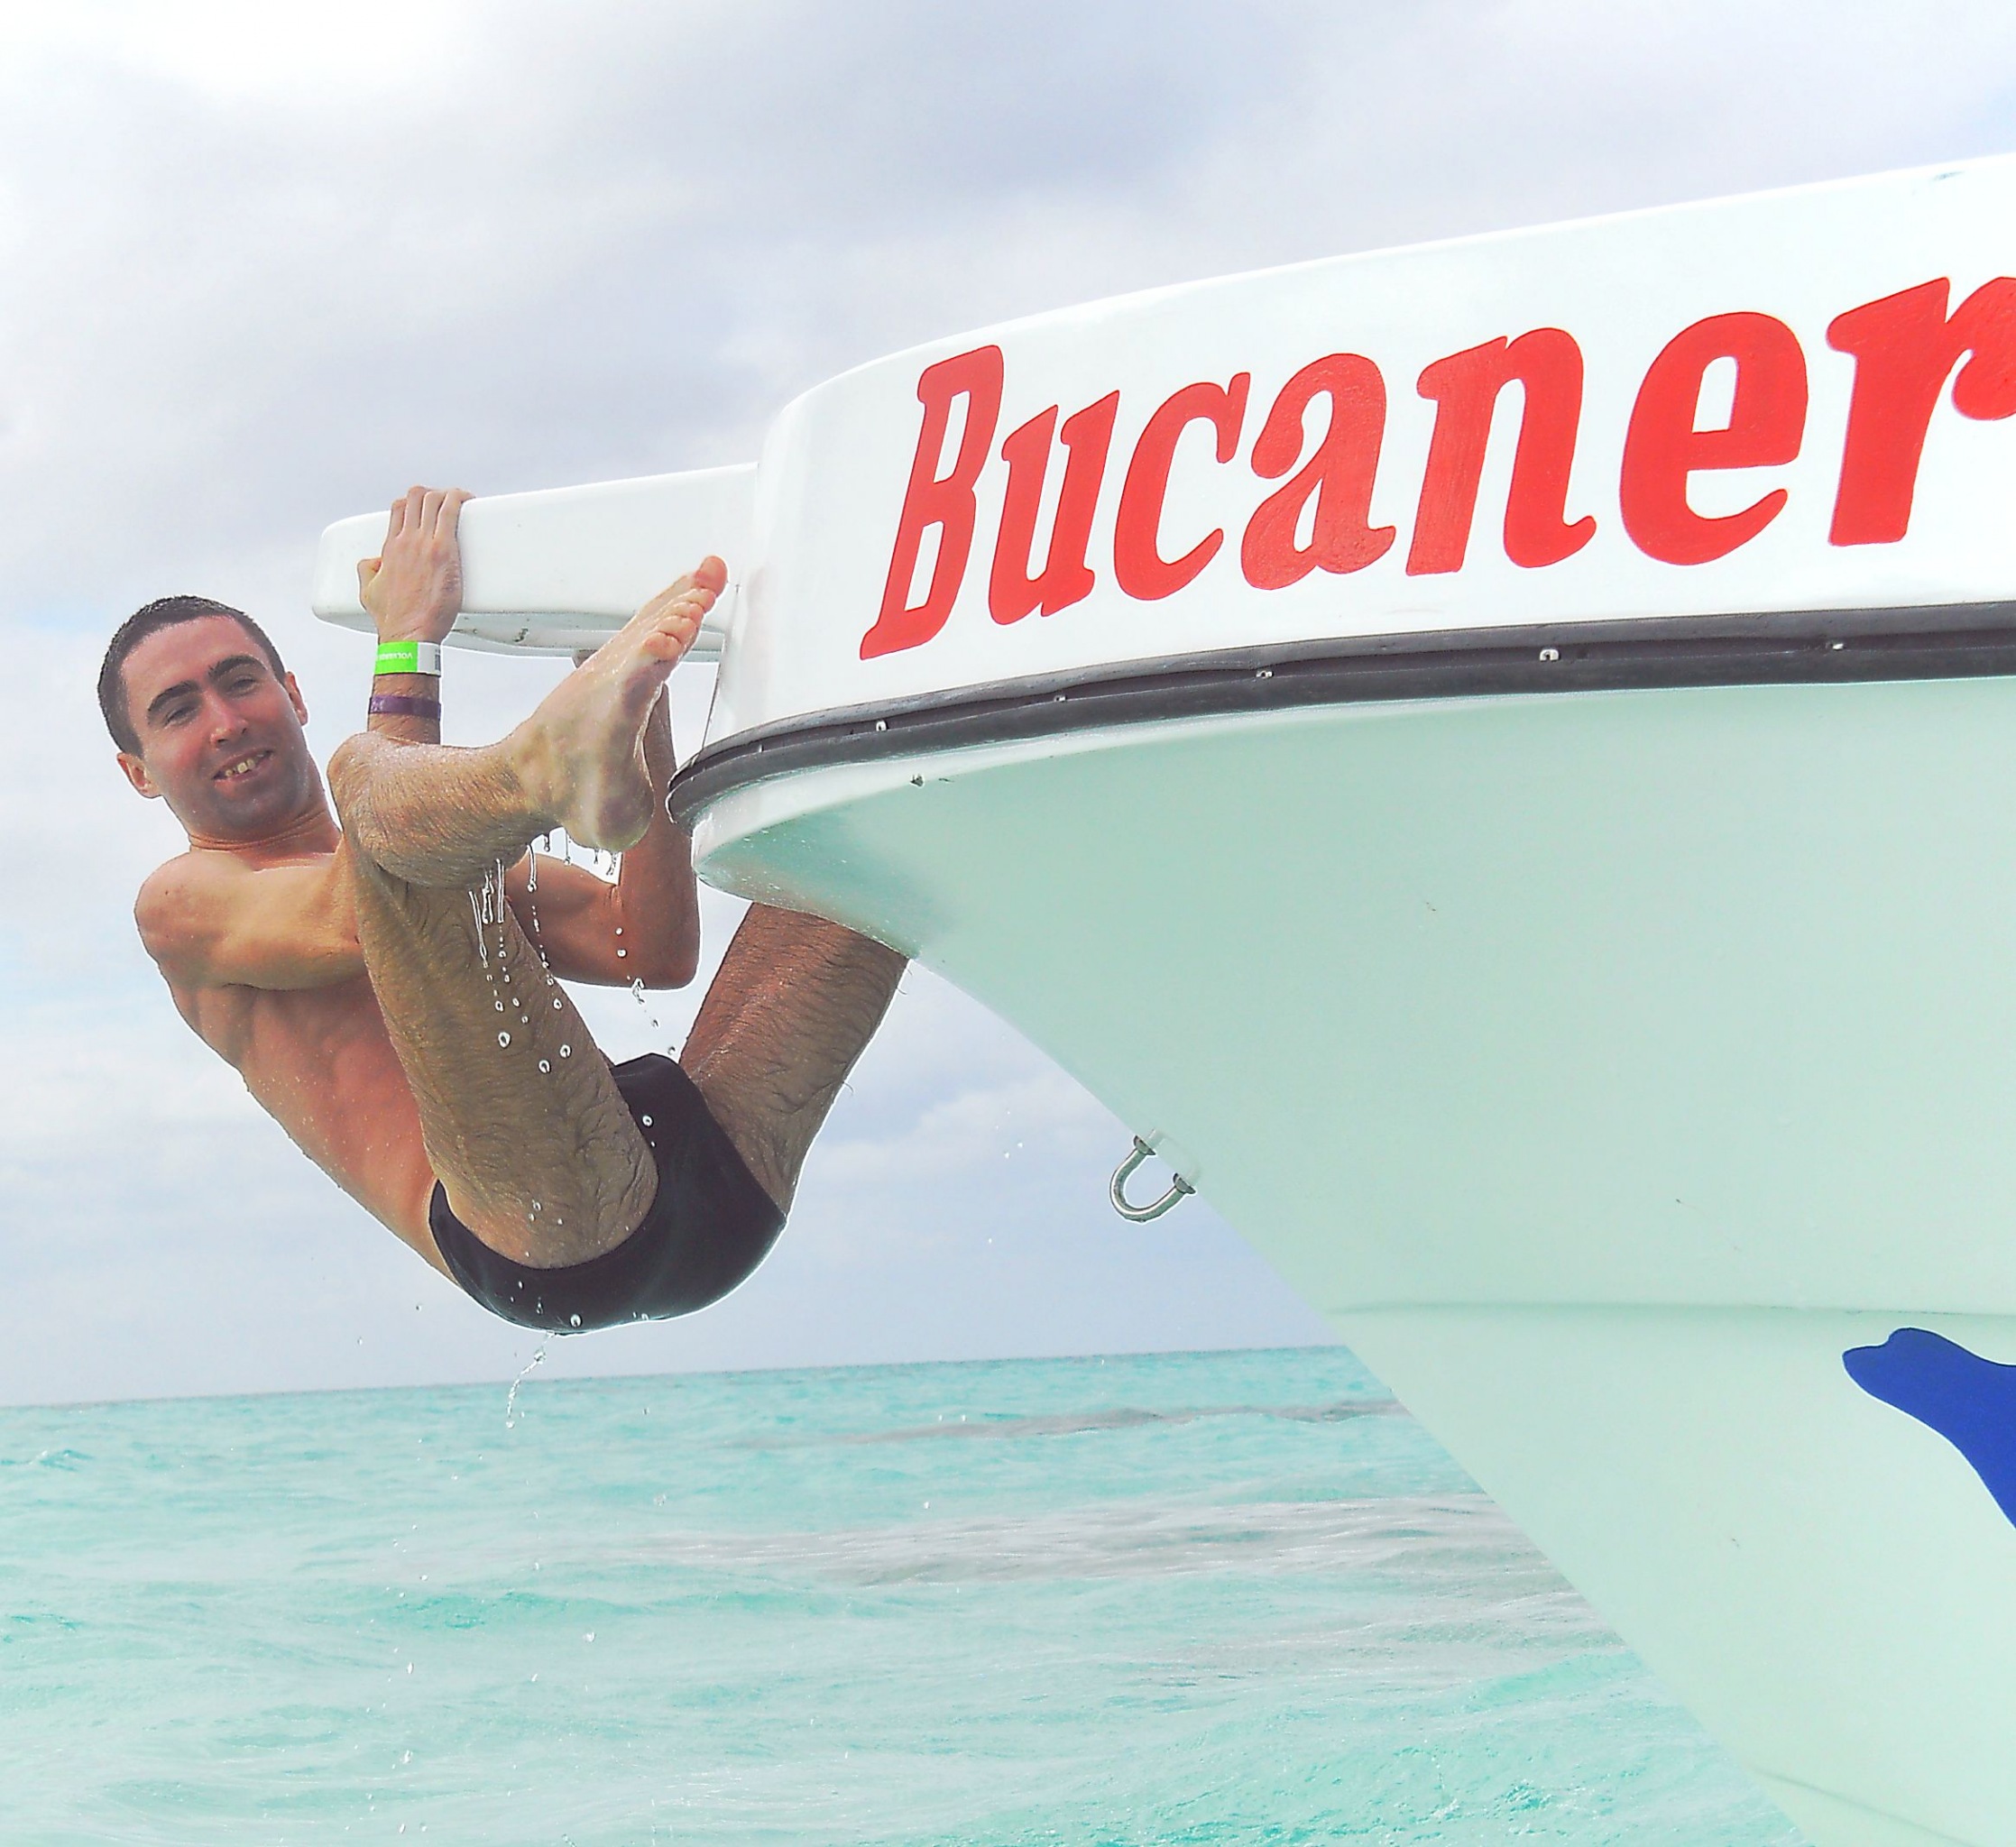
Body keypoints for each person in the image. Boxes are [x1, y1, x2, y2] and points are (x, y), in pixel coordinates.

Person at [104, 486, 905, 1330]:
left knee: (892, 794)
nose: (226, 721)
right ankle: (535, 768)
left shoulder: (447, 855)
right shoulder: (181, 904)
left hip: (719, 1174)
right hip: (540, 1227)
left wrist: (639, 706)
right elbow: (369, 904)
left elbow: (647, 946)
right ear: (139, 772)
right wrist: (407, 636)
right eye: (179, 711)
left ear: (294, 697)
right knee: (371, 786)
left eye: (240, 683)